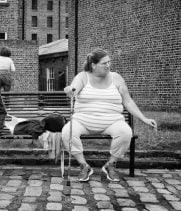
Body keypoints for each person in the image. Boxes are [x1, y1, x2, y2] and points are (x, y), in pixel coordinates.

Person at [62, 48, 157, 182]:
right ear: (93, 65)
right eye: (104, 63)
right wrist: (71, 91)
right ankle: (84, 165)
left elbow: (128, 101)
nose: (108, 65)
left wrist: (144, 119)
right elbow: (74, 88)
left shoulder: (116, 78)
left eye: (109, 62)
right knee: (67, 132)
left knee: (125, 132)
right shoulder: (83, 77)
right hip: (83, 121)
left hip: (112, 121)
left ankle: (110, 165)